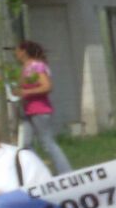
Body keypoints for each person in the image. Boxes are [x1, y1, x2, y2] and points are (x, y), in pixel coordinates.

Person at [10, 40, 73, 172]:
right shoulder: (25, 68)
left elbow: (47, 86)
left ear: (23, 51)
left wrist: (25, 92)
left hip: (39, 110)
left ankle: (66, 172)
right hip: (28, 111)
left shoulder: (36, 66)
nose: (15, 53)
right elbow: (19, 87)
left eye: (17, 50)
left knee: (47, 143)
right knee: (26, 144)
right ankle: (37, 172)